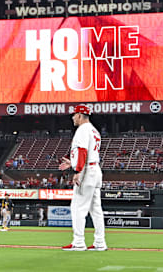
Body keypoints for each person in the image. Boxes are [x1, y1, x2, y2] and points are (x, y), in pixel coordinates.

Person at [59, 105, 107, 251]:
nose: (73, 117)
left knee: (78, 207)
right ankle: (100, 242)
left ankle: (78, 242)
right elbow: (85, 152)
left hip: (87, 171)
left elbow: (82, 150)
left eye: (74, 115)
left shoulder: (82, 129)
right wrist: (72, 162)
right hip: (95, 169)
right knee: (96, 209)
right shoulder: (94, 130)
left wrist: (78, 170)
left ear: (80, 115)